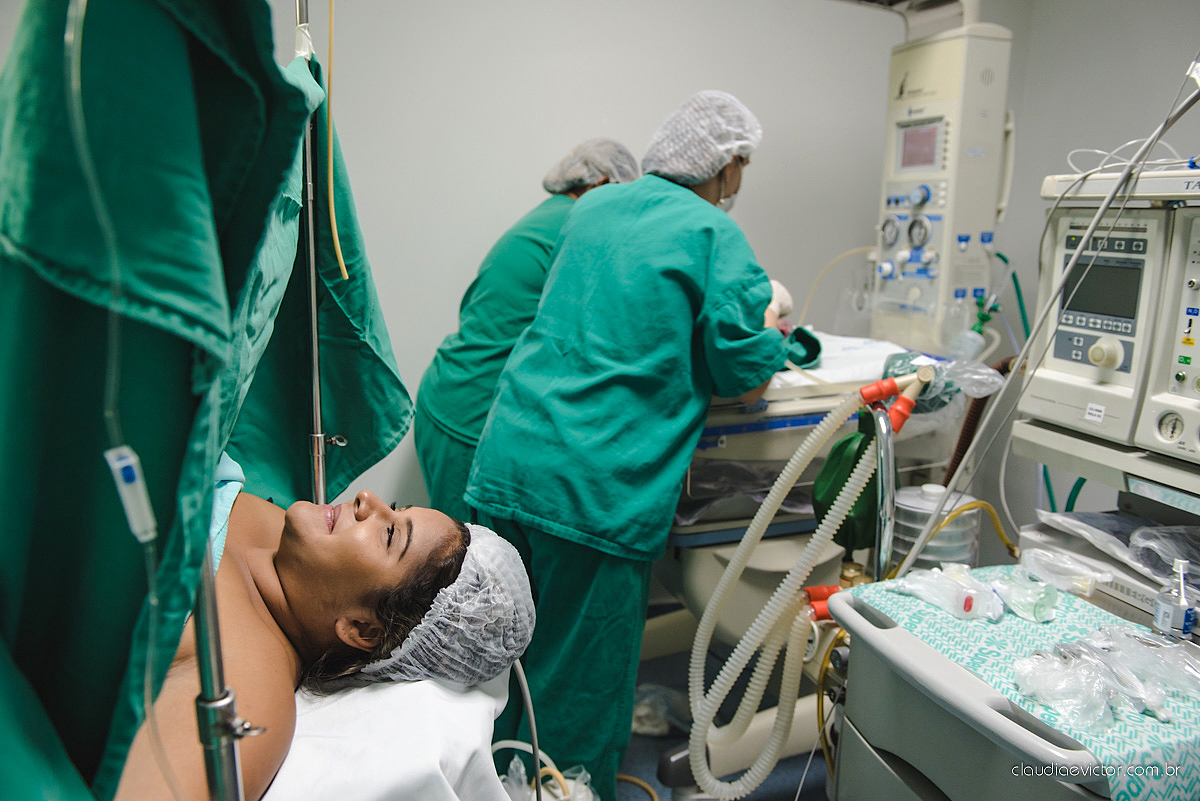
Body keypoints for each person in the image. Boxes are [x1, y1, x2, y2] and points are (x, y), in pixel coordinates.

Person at [464, 91, 786, 801]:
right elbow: (739, 362)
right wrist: (778, 334)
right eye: (743, 167)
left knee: (505, 664)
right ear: (728, 165)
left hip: (512, 459)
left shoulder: (593, 209)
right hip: (594, 489)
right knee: (578, 685)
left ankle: (495, 784)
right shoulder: (711, 233)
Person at [113, 456, 534, 801]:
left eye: (389, 534)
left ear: (362, 630)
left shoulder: (246, 686)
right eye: (397, 507)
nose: (366, 499)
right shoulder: (282, 533)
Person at [415, 138, 640, 521]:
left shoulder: (546, 216)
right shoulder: (576, 226)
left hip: (451, 394)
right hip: (472, 415)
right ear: (601, 186)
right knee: (466, 570)